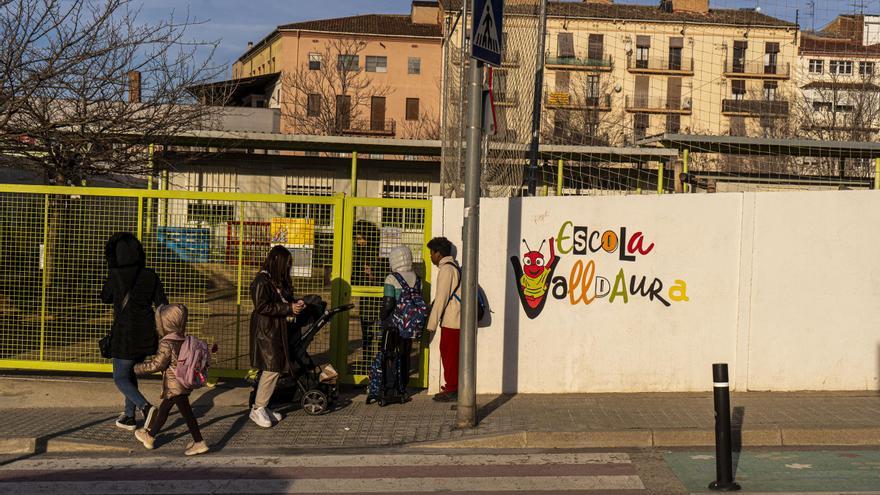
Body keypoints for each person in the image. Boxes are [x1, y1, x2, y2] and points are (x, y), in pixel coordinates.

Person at [101, 232, 168, 430]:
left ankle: (146, 408)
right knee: (130, 373)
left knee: (120, 377)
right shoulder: (150, 274)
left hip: (124, 335)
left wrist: (112, 273)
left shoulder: (116, 275)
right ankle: (129, 416)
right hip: (146, 334)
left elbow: (105, 297)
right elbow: (162, 303)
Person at [133, 304, 208, 456]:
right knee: (165, 410)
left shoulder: (166, 343)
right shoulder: (183, 339)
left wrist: (137, 368)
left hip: (175, 384)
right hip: (183, 381)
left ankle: (199, 442)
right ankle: (150, 436)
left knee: (187, 415)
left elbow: (157, 364)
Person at [249, 245, 305, 428]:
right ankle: (258, 408)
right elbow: (262, 306)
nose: (288, 267)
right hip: (266, 331)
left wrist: (294, 304)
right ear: (278, 262)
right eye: (286, 264)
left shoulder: (275, 280)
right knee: (272, 368)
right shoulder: (261, 281)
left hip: (276, 330)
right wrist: (288, 308)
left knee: (275, 367)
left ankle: (263, 406)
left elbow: (281, 300)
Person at [378, 245, 419, 396]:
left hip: (393, 323)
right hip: (409, 323)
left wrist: (382, 317)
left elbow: (388, 303)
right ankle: (403, 385)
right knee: (404, 354)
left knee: (388, 353)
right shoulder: (416, 277)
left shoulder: (392, 278)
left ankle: (389, 384)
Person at [425, 237, 461, 402]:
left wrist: (431, 325)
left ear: (438, 253)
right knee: (450, 353)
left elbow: (441, 299)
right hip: (454, 319)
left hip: (452, 320)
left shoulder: (446, 270)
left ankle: (452, 388)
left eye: (431, 253)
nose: (430, 256)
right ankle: (452, 386)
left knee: (449, 355)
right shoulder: (452, 267)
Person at [352, 220, 383, 355]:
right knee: (367, 335)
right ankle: (367, 361)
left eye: (361, 238)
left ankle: (380, 362)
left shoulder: (379, 253)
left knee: (380, 335)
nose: (359, 242)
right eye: (357, 239)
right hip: (366, 298)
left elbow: (385, 276)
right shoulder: (359, 253)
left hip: (379, 299)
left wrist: (372, 275)